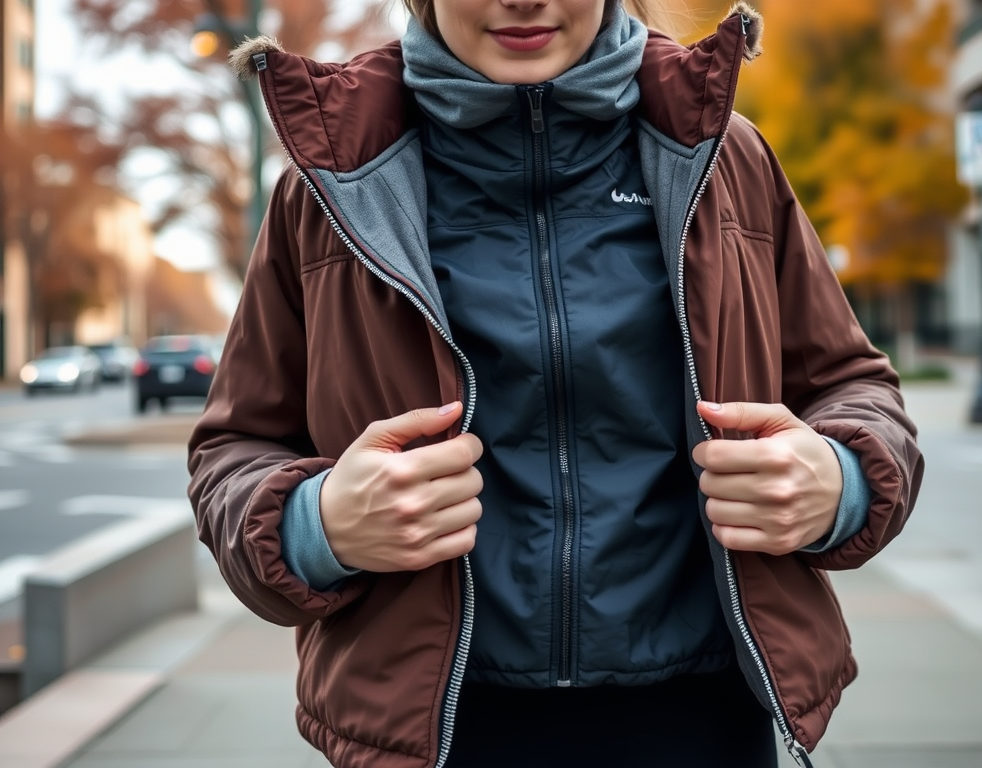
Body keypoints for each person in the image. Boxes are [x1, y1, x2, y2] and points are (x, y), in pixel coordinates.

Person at [187, 1, 923, 766]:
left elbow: (853, 384)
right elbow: (233, 449)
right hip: (433, 730)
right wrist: (319, 526)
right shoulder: (333, 182)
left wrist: (838, 482)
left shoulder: (723, 156)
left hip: (703, 715)